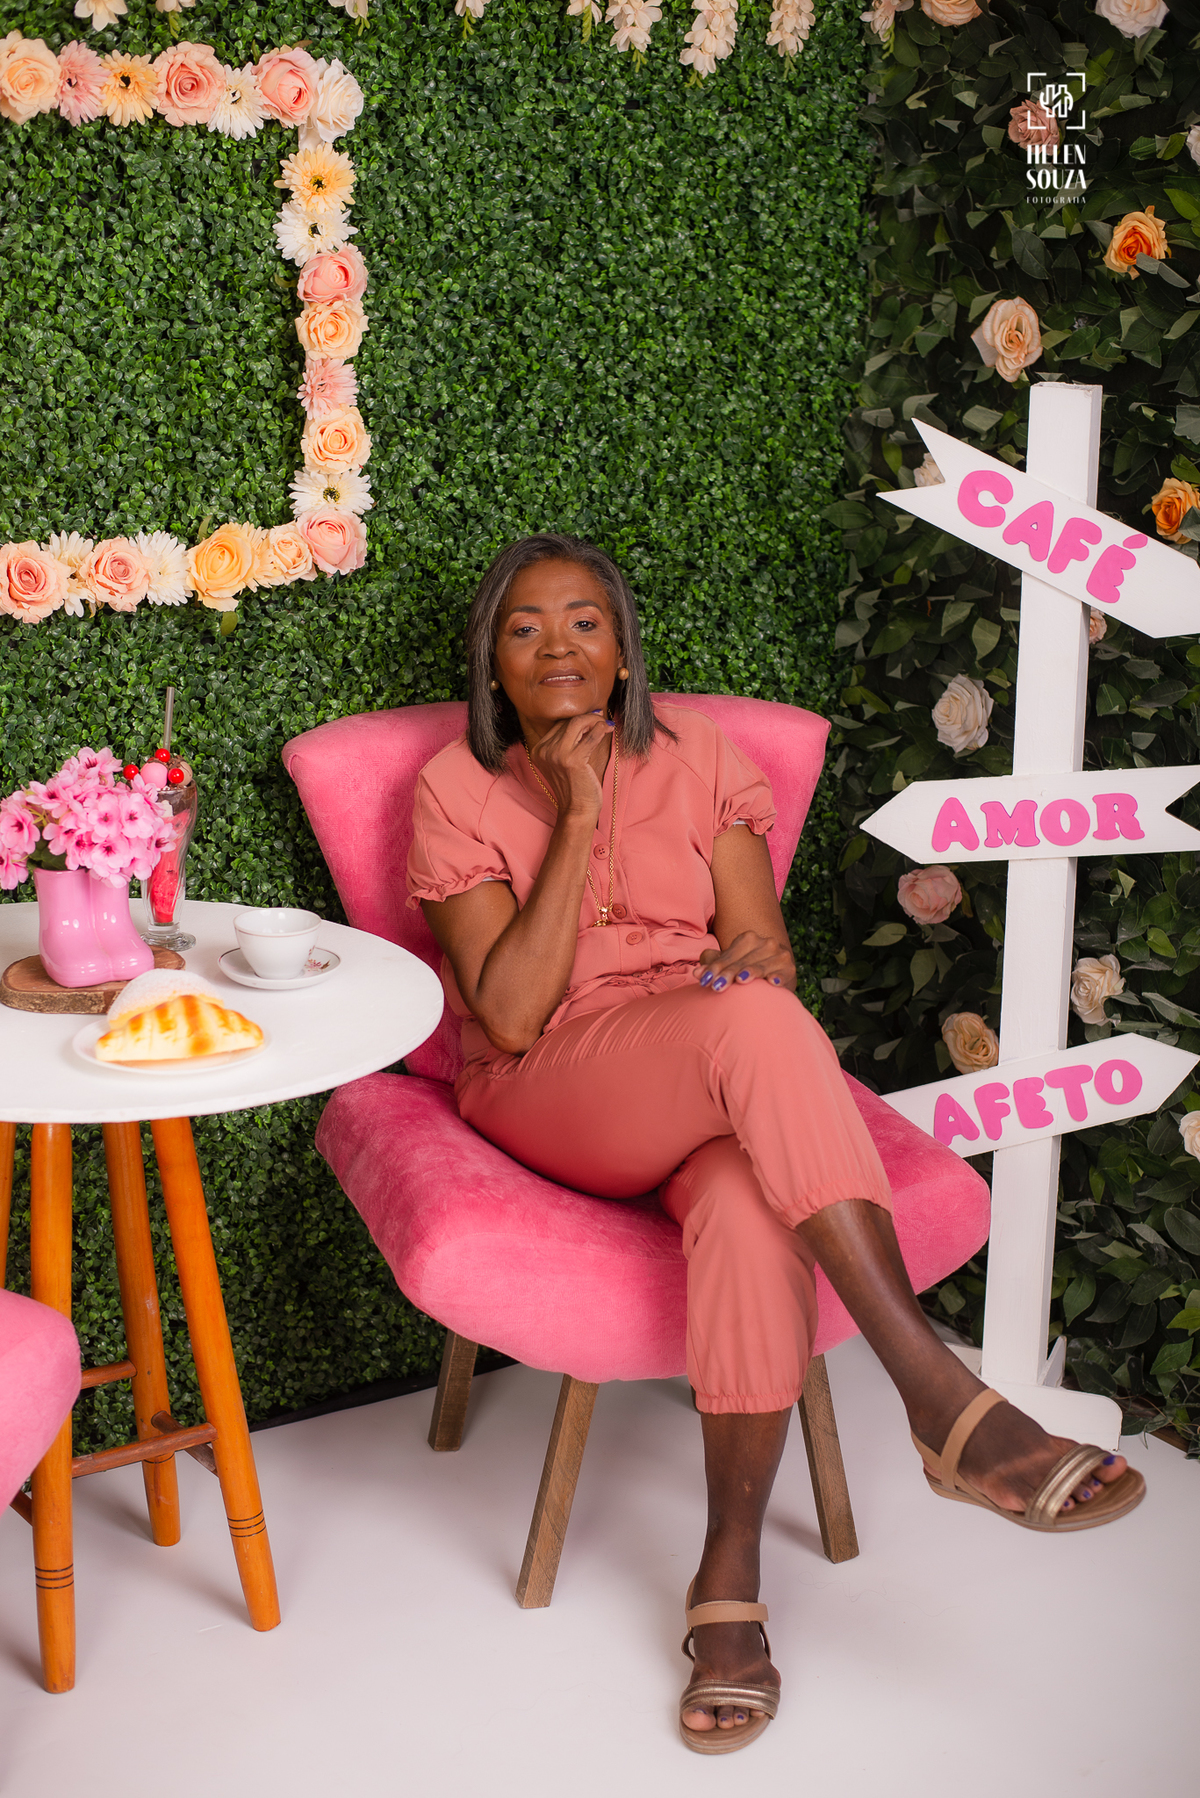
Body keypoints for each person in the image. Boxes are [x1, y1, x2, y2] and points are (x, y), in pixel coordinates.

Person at [408, 533, 1144, 1755]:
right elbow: (516, 1013)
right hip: (552, 1084)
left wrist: (752, 963)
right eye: (524, 627)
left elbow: (763, 949)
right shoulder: (455, 786)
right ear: (491, 661)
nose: (557, 646)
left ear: (624, 650)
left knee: (752, 1202)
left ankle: (729, 1579)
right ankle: (939, 1394)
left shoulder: (702, 757)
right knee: (753, 1029)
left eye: (584, 621)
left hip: (703, 1057)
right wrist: (578, 811)